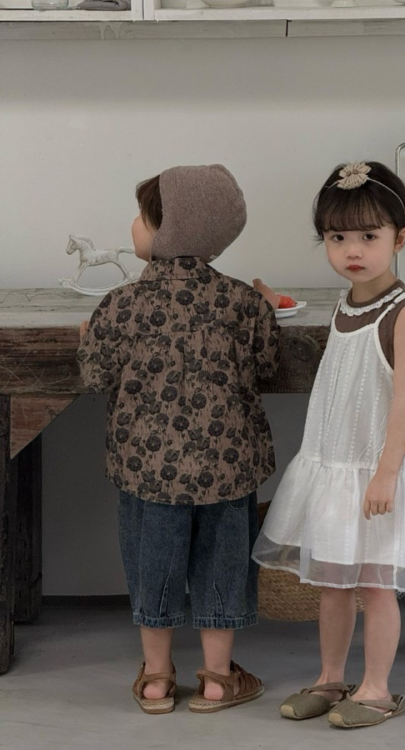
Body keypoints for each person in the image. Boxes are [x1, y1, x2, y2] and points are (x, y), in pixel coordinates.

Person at [253, 161, 405, 730]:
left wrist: (387, 472)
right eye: (337, 238)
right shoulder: (346, 304)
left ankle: (376, 688)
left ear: (399, 239)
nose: (352, 250)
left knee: (375, 586)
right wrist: (270, 299)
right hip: (336, 469)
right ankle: (331, 678)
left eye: (368, 237)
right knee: (332, 584)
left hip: (378, 476)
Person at [77, 165, 280, 715]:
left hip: (148, 470)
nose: (133, 225)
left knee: (153, 565)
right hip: (226, 467)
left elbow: (95, 375)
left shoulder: (120, 304)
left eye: (142, 217)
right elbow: (267, 365)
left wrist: (86, 339)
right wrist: (266, 304)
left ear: (169, 230)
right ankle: (217, 680)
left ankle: (157, 679)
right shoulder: (242, 302)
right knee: (223, 566)